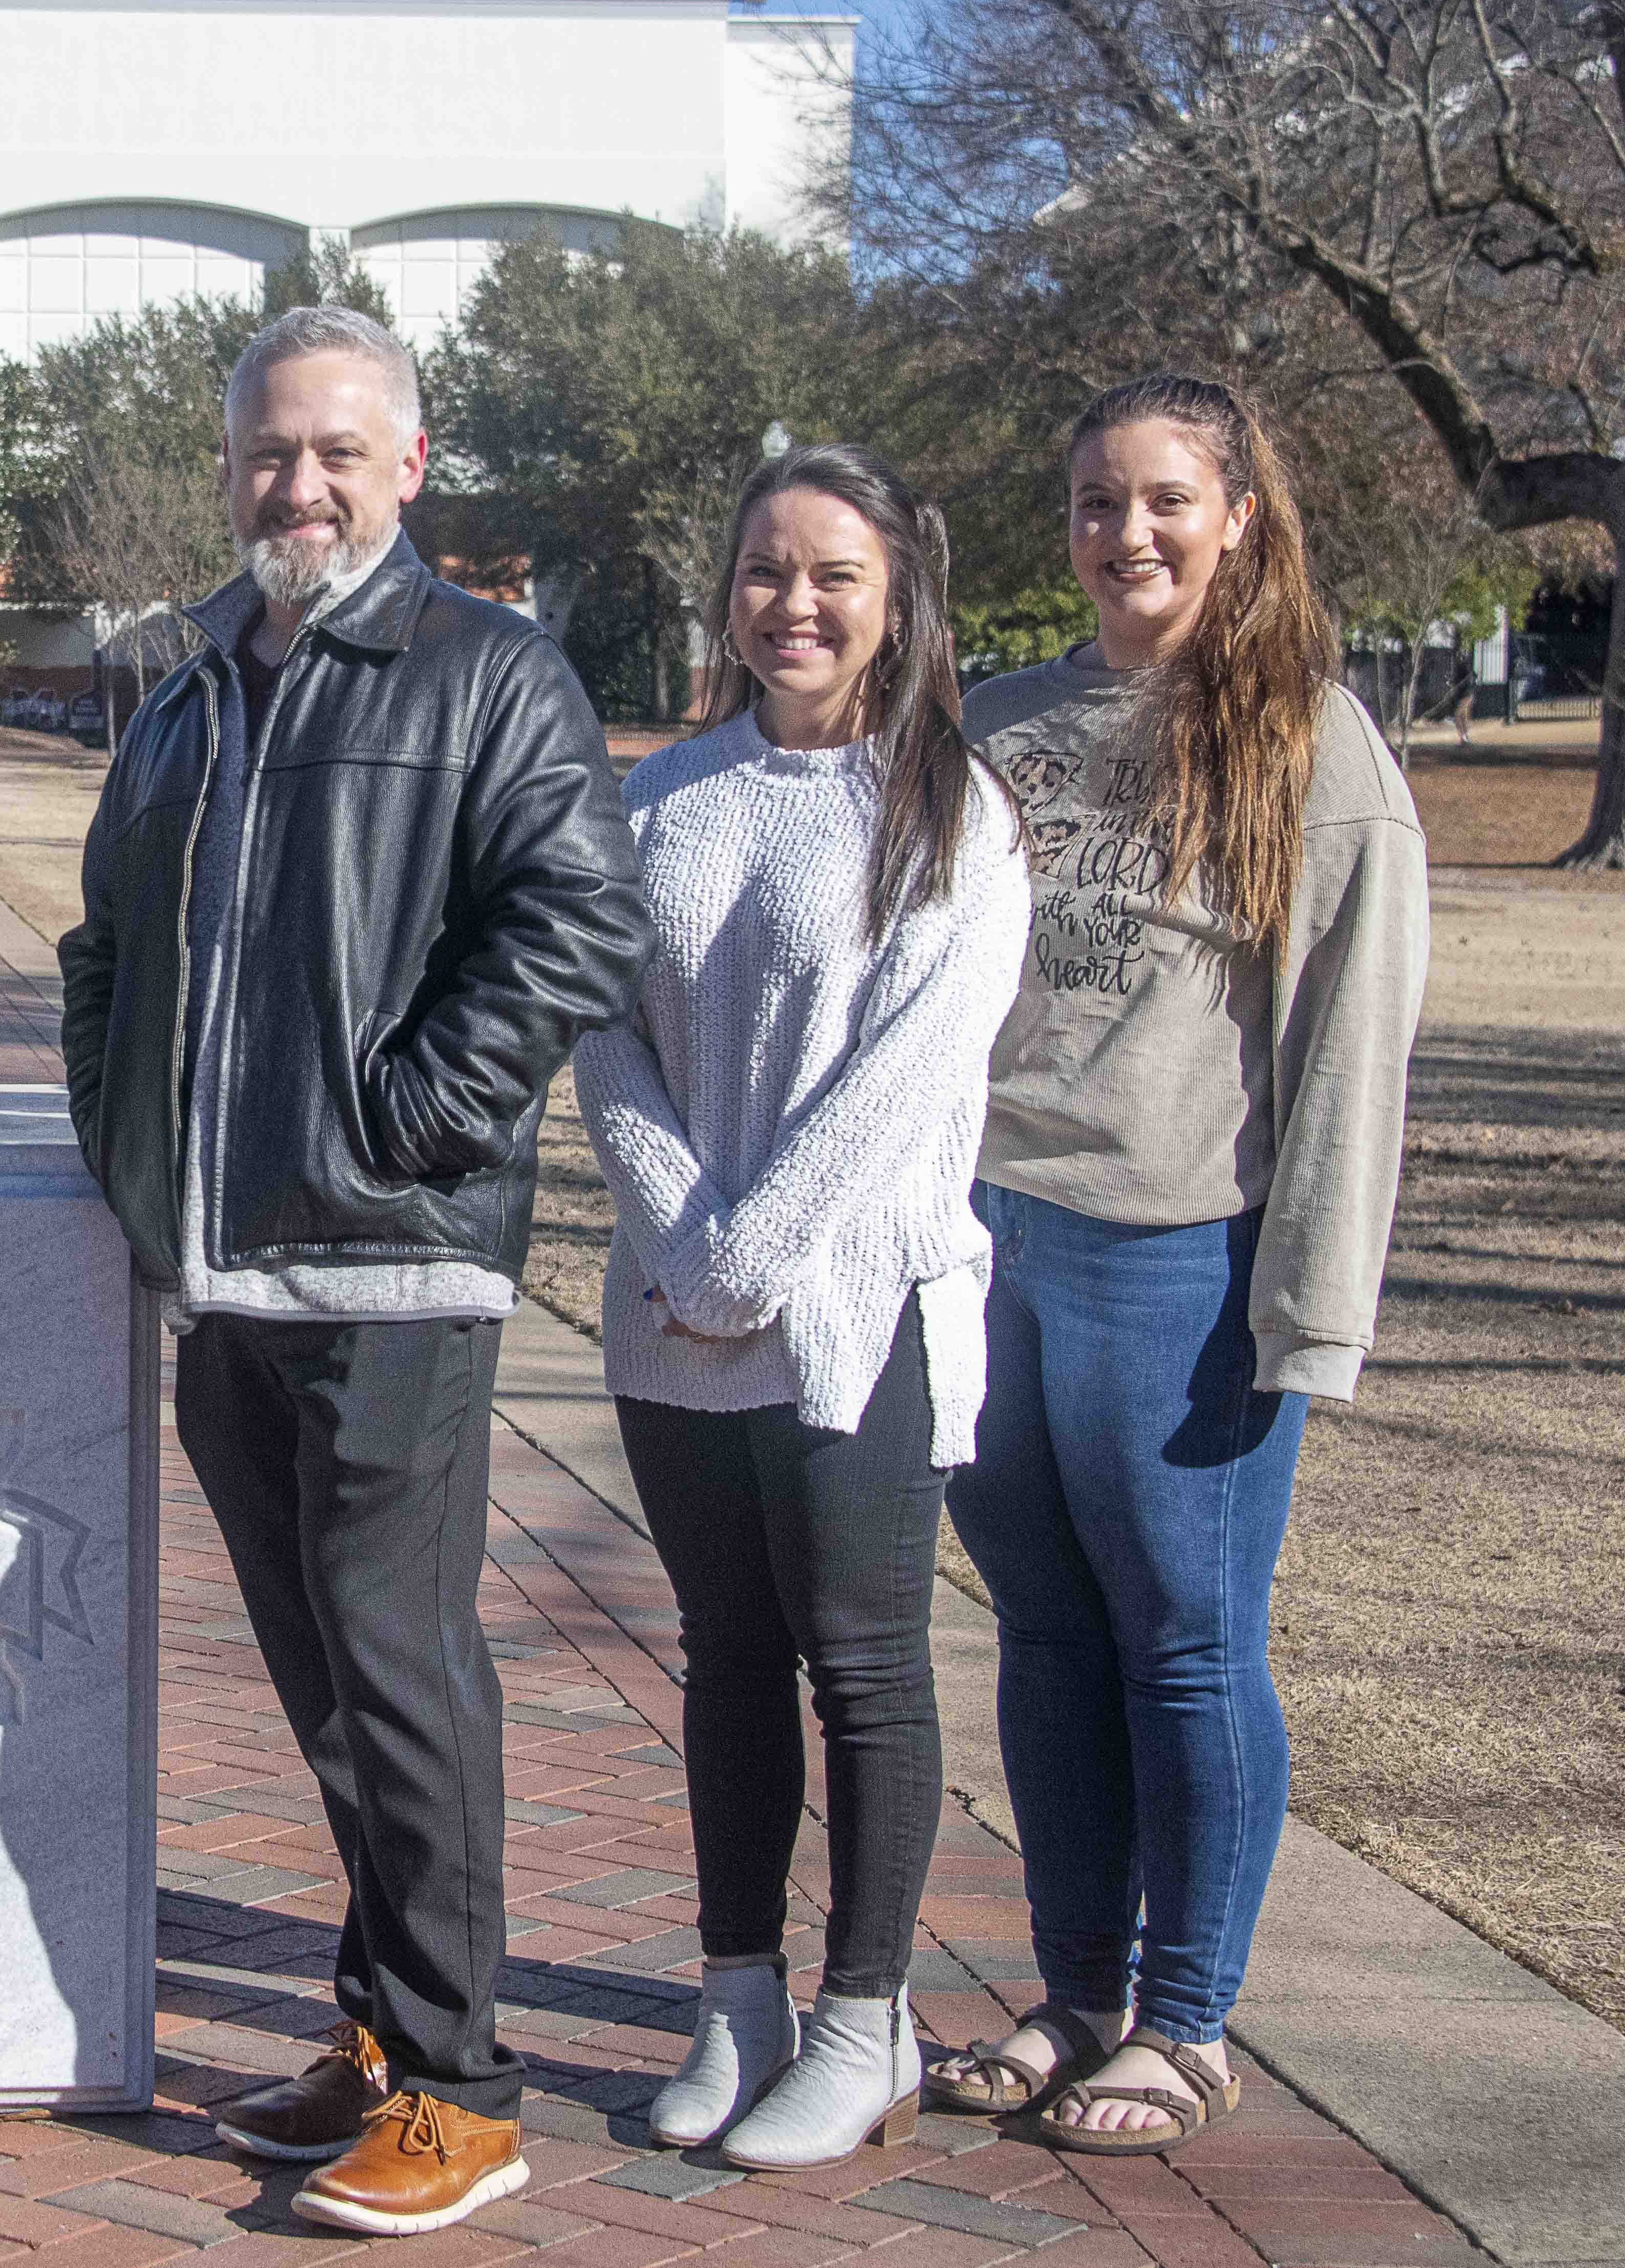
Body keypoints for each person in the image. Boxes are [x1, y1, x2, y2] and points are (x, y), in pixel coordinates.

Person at [58, 304, 647, 2237]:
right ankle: (386, 2032)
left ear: (407, 463)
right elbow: (104, 947)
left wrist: (411, 1112)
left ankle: (469, 2084)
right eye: (263, 454)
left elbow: (577, 921)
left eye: (331, 451)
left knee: (400, 1672)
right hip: (224, 1275)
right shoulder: (186, 690)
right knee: (320, 1682)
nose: (293, 485)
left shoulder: (492, 676)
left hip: (390, 1268)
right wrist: (125, 1150)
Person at [930, 374, 1426, 2155]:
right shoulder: (992, 728)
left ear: (1237, 514)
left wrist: (1312, 1310)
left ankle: (1191, 2017)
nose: (1125, 532)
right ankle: (1075, 1995)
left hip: (1179, 1263)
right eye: (1093, 501)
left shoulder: (1313, 743)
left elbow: (1351, 1049)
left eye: (1162, 500)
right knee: (1047, 1636)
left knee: (1189, 1646)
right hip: (983, 1246)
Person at [571, 447, 1027, 2170]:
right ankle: (738, 1999)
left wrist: (755, 1249)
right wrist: (686, 1233)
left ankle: (868, 2017)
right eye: (766, 569)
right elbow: (601, 1025)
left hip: (858, 1307)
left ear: (897, 594)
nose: (797, 603)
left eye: (834, 572)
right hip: (675, 1303)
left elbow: (912, 1075)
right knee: (727, 1661)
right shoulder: (665, 791)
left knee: (864, 1661)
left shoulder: (953, 813)